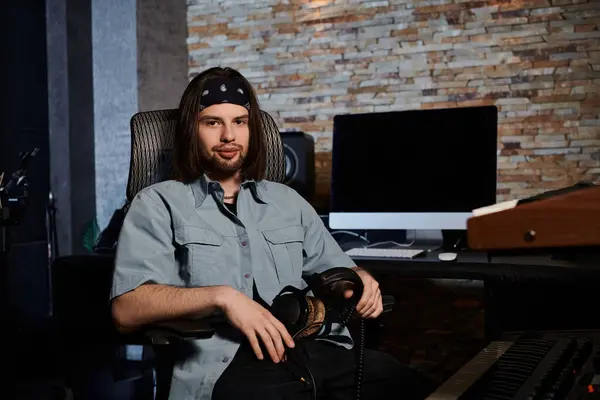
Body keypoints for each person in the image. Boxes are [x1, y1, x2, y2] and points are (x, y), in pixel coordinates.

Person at [110, 66, 434, 400]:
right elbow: (126, 308)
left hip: (315, 351)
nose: (228, 136)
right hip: (227, 362)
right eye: (212, 122)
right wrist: (223, 297)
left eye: (239, 122)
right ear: (191, 131)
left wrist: (361, 280)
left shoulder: (288, 201)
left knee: (418, 387)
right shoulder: (156, 203)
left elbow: (338, 270)